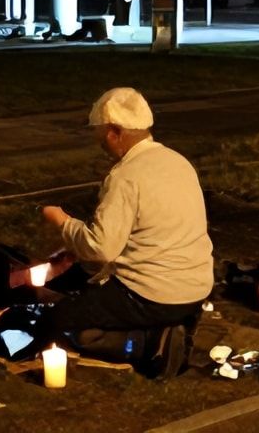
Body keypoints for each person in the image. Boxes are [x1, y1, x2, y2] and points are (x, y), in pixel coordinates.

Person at [38, 87, 214, 377]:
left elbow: (100, 249)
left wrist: (62, 221)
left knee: (58, 321)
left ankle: (150, 343)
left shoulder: (126, 176)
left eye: (99, 133)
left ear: (114, 132)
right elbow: (148, 234)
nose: (99, 142)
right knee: (84, 291)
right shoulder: (178, 162)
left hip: (152, 294)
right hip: (196, 288)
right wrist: (76, 251)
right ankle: (172, 325)